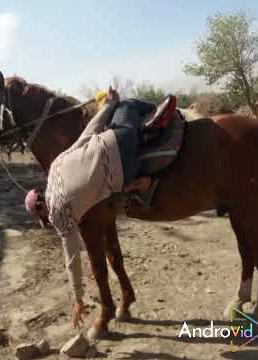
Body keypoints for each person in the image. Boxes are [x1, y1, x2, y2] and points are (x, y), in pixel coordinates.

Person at [24, 87, 156, 328]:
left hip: (120, 152)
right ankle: (148, 109)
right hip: (111, 138)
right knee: (124, 105)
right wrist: (107, 106)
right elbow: (88, 132)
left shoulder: (59, 215)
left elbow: (71, 259)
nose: (47, 221)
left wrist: (78, 299)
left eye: (42, 217)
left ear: (42, 208)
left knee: (135, 108)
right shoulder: (56, 166)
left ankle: (152, 113)